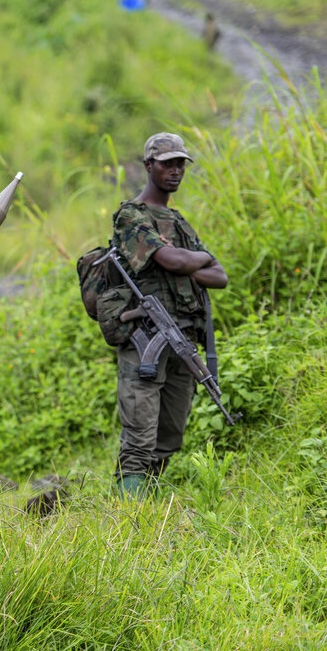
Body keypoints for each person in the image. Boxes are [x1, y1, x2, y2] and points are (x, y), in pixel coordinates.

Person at [110, 133, 228, 498]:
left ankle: (150, 504)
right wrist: (192, 261)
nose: (175, 170)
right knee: (140, 436)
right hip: (145, 336)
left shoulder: (177, 221)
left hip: (183, 339)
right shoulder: (131, 216)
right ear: (149, 166)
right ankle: (126, 515)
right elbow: (172, 260)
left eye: (180, 164)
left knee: (170, 435)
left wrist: (187, 263)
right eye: (167, 163)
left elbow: (220, 276)